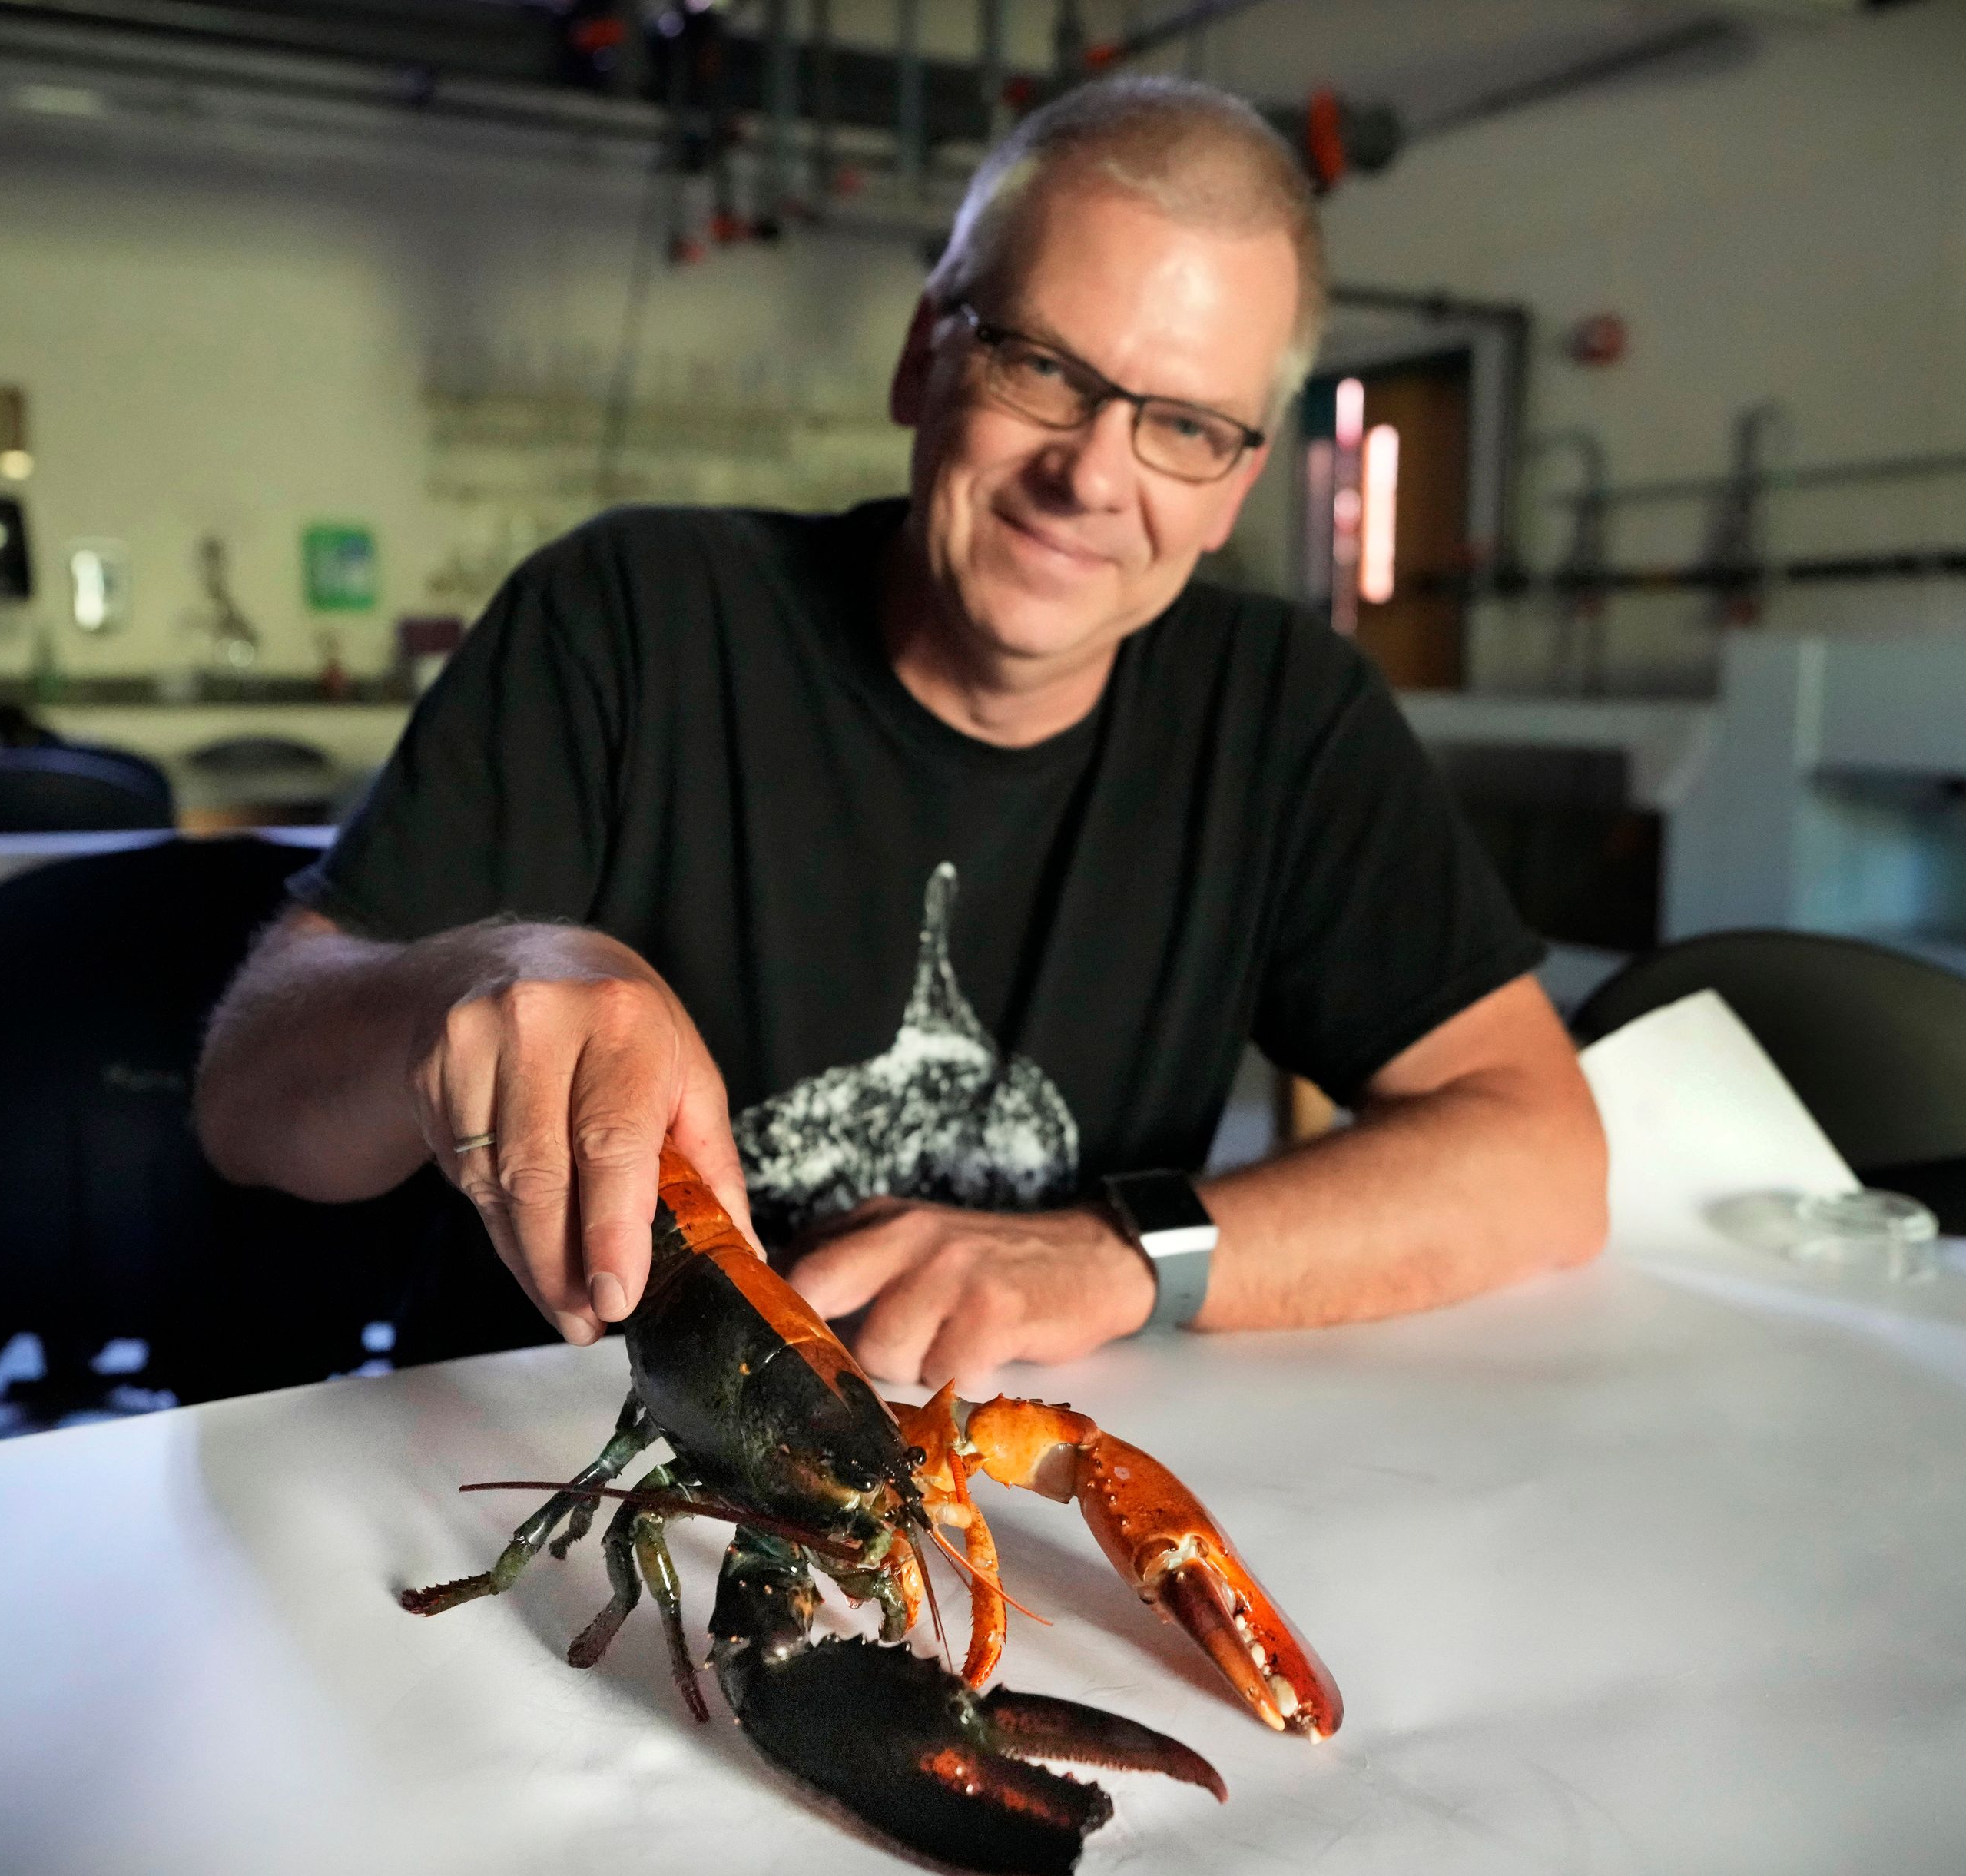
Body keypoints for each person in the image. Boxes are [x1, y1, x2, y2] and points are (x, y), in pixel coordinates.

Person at [195, 75, 1607, 1391]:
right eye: (1043, 368)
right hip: (562, 1466)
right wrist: (480, 974)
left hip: (972, 1474)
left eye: (1184, 424)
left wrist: (1123, 1256)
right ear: (923, 357)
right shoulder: (631, 614)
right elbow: (247, 1100)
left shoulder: (1284, 710)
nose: (1091, 477)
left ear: (1234, 484)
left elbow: (1544, 1157)